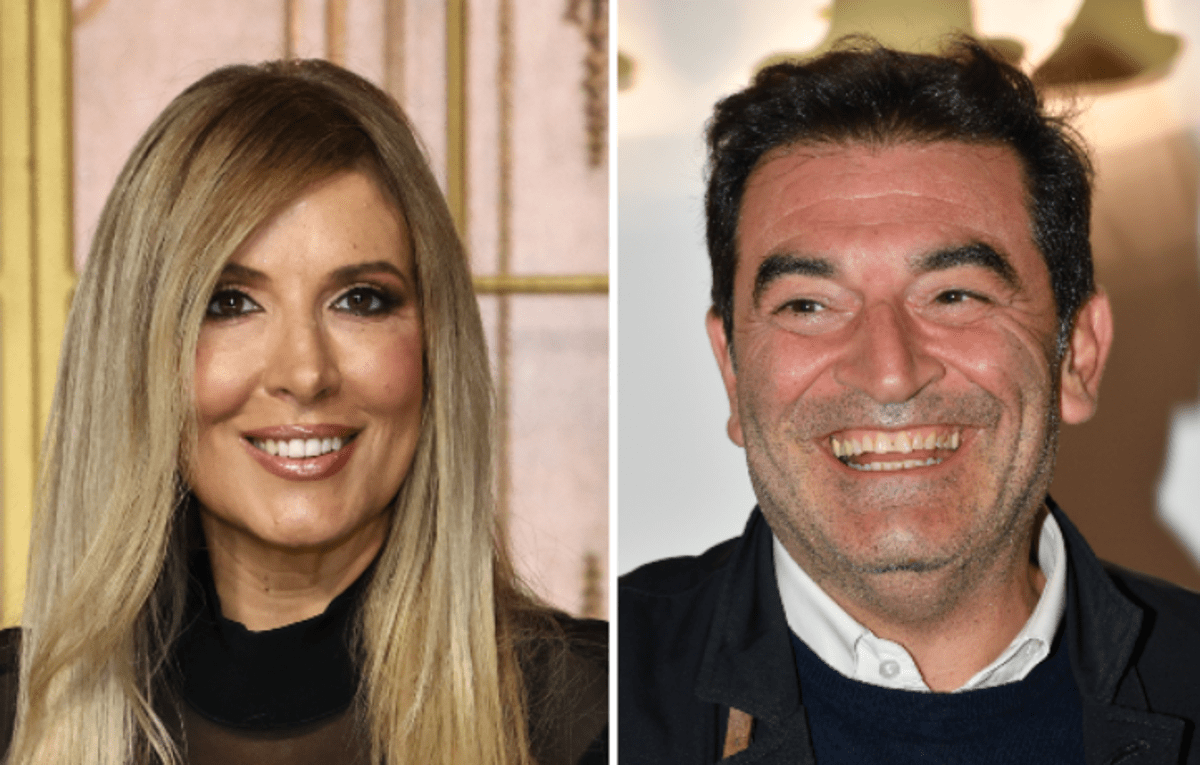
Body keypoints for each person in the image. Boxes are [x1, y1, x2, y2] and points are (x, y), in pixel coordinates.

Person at [1, 59, 606, 765]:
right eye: (229, 302)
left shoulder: (600, 717)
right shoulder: (12, 715)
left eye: (360, 300)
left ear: (435, 345)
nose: (305, 372)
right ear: (136, 353)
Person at [619, 38, 1200, 764]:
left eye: (954, 296)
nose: (888, 373)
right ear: (732, 370)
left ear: (1077, 353)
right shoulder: (597, 702)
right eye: (808, 305)